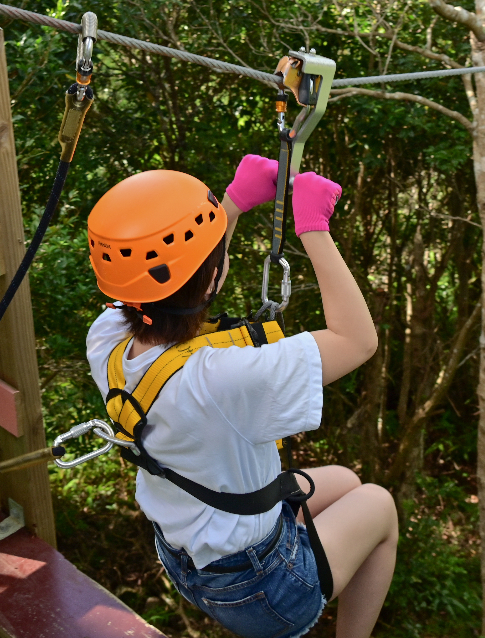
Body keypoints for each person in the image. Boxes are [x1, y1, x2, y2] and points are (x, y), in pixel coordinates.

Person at [85, 156, 398, 638]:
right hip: (260, 590)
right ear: (213, 276)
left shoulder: (107, 340)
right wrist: (314, 229)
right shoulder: (224, 378)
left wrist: (233, 203)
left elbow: (184, 281)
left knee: (346, 480)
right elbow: (359, 341)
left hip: (183, 553)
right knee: (378, 504)